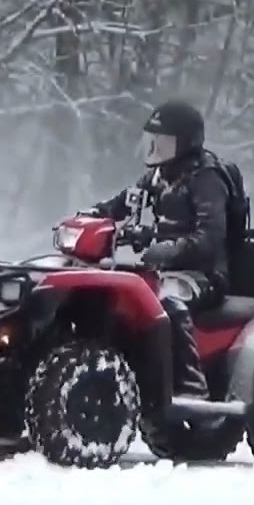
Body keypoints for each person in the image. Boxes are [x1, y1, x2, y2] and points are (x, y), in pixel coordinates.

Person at [82, 100, 231, 402]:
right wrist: (92, 215)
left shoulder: (206, 179)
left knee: (168, 302)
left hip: (204, 274)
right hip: (167, 268)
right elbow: (122, 203)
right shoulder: (158, 175)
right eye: (153, 142)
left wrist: (164, 248)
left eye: (164, 142)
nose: (155, 150)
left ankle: (190, 385)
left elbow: (210, 237)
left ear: (186, 143)